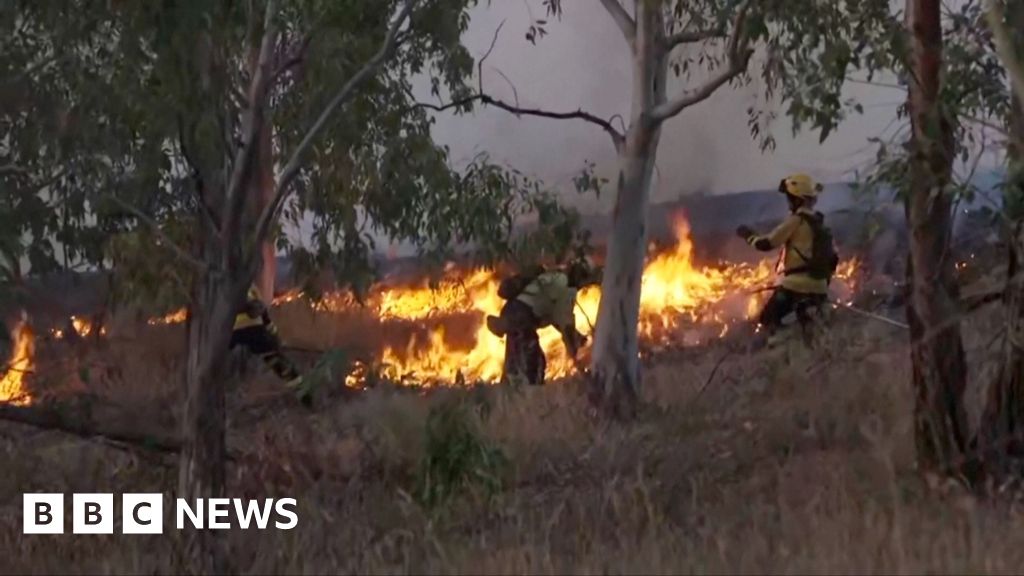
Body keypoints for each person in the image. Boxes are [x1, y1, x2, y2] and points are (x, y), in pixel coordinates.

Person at [736, 173, 838, 342]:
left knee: (767, 319)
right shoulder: (819, 223)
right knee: (807, 325)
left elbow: (767, 243)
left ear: (796, 199)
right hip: (820, 286)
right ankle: (805, 329)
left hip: (796, 286)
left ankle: (785, 341)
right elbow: (833, 258)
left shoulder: (796, 221)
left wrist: (748, 235)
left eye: (789, 197)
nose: (788, 202)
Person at [486, 258, 601, 386]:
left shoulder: (554, 276)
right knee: (532, 364)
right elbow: (565, 324)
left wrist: (577, 337)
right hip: (522, 320)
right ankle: (520, 394)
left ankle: (509, 391)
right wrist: (576, 357)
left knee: (518, 360)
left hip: (512, 314)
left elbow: (554, 316)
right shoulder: (567, 289)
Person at [230, 284, 309, 405]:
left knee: (211, 364)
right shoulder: (252, 288)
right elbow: (265, 318)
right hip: (255, 330)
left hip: (230, 332)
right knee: (277, 361)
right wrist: (275, 338)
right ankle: (304, 395)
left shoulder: (222, 286)